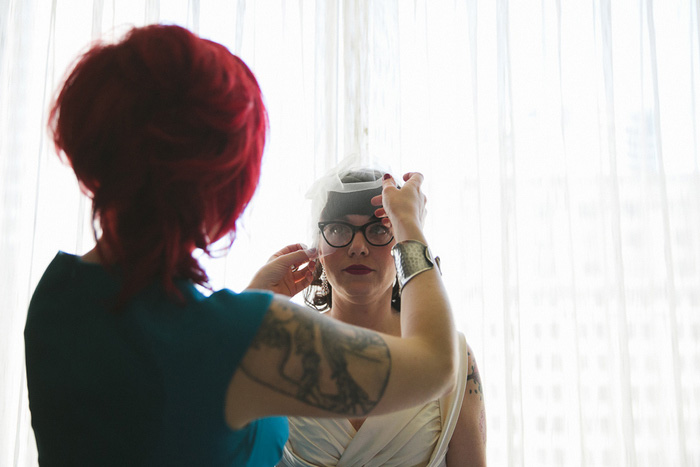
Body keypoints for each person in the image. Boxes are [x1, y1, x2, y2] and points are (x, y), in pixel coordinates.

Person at [23, 25, 458, 466]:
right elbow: (436, 364)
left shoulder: (56, 299)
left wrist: (251, 304)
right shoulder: (243, 336)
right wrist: (408, 226)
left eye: (376, 230)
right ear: (224, 184)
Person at [278, 167, 487, 467]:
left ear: (401, 241)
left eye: (378, 230)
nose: (358, 248)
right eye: (338, 229)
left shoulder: (454, 356)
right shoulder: (280, 345)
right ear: (318, 247)